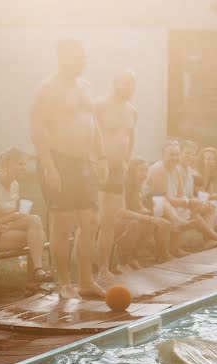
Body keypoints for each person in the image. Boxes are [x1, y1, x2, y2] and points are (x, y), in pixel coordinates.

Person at [30, 39, 107, 299]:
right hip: (57, 160)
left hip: (82, 161)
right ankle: (64, 283)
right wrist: (49, 166)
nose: (84, 62)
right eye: (79, 57)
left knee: (91, 220)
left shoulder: (85, 87)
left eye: (85, 57)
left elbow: (92, 123)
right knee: (62, 222)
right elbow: (38, 129)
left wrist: (101, 156)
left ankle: (86, 281)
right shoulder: (47, 89)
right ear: (62, 57)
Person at [144, 140, 217, 254]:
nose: (175, 157)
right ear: (163, 155)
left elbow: (183, 195)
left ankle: (176, 248)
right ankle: (213, 237)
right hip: (153, 205)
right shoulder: (159, 169)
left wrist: (197, 202)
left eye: (176, 154)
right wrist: (189, 203)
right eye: (171, 154)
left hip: (168, 203)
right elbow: (161, 200)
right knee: (189, 211)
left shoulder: (177, 170)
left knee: (201, 207)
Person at [0, 147, 51, 282]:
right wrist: (8, 220)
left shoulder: (15, 185)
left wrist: (9, 225)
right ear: (7, 164)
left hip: (1, 231)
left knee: (35, 222)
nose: (24, 167)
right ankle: (36, 277)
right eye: (20, 164)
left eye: (25, 164)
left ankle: (37, 272)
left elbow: (10, 214)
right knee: (36, 237)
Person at [94, 69, 138, 279]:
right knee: (98, 220)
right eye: (125, 83)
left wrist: (127, 160)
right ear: (115, 84)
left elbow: (130, 137)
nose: (129, 88)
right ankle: (98, 267)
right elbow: (91, 134)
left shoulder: (132, 111)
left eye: (132, 84)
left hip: (119, 169)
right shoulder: (100, 106)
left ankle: (106, 265)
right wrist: (97, 160)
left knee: (114, 220)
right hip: (99, 168)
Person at [114, 157, 172, 269]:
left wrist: (153, 215)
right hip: (113, 221)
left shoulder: (138, 185)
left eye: (146, 170)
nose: (144, 174)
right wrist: (149, 218)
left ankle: (133, 257)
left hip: (128, 219)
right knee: (136, 224)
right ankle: (122, 262)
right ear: (132, 171)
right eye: (141, 170)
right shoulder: (124, 185)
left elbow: (140, 208)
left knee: (153, 222)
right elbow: (121, 212)